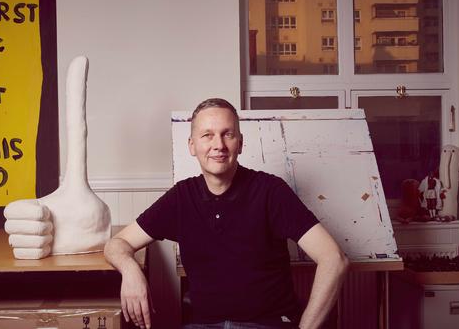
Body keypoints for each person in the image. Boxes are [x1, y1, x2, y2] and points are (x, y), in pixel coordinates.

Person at [104, 98, 349, 329]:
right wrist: (130, 269)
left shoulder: (270, 192)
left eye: (227, 134)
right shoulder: (182, 197)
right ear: (192, 145)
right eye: (207, 135)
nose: (218, 145)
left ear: (240, 143)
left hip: (266, 324)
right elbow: (117, 244)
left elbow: (334, 259)